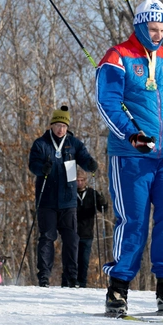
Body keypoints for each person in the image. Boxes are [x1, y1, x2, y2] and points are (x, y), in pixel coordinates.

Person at [95, 0, 163, 314]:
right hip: (130, 156)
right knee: (133, 221)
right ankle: (118, 289)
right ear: (140, 26)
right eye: (153, 29)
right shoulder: (118, 56)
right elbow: (107, 101)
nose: (158, 34)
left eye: (162, 29)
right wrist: (131, 134)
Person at [28, 106, 98, 288]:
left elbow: (83, 157)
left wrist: (90, 164)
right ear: (52, 125)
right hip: (47, 200)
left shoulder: (73, 143)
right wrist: (41, 168)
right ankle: (44, 276)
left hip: (68, 200)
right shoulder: (41, 144)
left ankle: (71, 278)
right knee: (47, 238)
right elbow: (33, 164)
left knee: (71, 239)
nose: (61, 129)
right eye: (58, 125)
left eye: (64, 126)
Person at [74, 169, 108, 288]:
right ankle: (70, 281)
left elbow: (103, 208)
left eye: (81, 180)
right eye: (77, 180)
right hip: (73, 232)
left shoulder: (92, 193)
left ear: (85, 181)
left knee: (84, 260)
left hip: (87, 233)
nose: (79, 183)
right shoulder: (71, 193)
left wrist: (103, 202)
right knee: (72, 259)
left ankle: (82, 283)